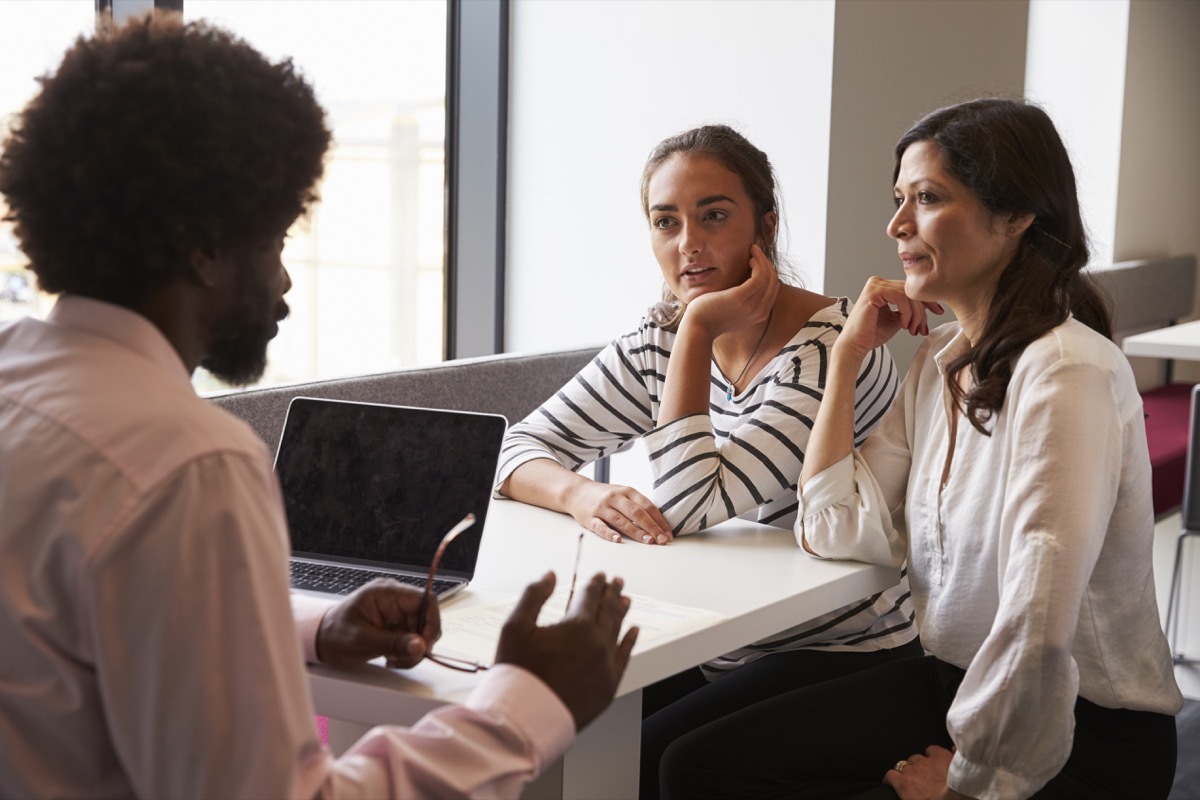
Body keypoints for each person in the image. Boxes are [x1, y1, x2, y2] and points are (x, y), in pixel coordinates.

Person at [0, 15, 638, 799]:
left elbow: (78, 654)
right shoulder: (186, 464)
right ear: (203, 247)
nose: (285, 286)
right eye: (273, 243)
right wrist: (528, 702)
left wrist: (310, 631)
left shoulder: (16, 391)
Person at [659, 98, 1184, 800]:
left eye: (929, 198)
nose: (896, 225)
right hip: (952, 680)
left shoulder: (1066, 371)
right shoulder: (941, 362)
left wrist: (977, 785)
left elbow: (1037, 627)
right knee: (694, 767)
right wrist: (846, 355)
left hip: (1083, 736)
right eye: (898, 198)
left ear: (1018, 216)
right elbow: (833, 528)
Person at [496, 124, 922, 797]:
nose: (687, 242)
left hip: (842, 646)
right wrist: (582, 495)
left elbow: (693, 505)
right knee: (555, 736)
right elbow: (513, 452)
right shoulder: (655, 339)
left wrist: (697, 329)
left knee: (649, 764)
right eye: (666, 222)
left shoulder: (834, 346)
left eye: (714, 216)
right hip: (718, 639)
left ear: (766, 226)